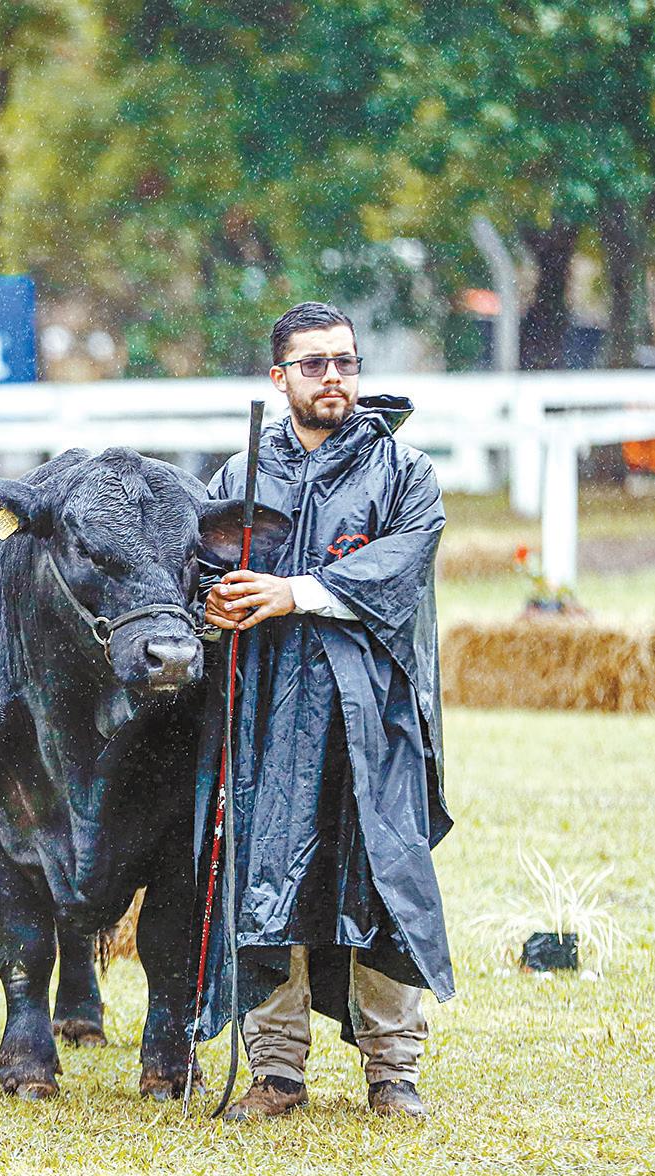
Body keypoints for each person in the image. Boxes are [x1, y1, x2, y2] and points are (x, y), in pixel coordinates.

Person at [199, 301, 451, 1120]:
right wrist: (214, 605)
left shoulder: (402, 473)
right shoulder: (239, 476)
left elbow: (399, 568)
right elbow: (201, 571)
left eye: (344, 360)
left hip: (370, 714)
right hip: (265, 714)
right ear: (280, 377)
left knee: (380, 878)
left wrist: (296, 592)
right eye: (313, 363)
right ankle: (275, 1070)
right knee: (264, 879)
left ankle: (393, 1070)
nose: (333, 376)